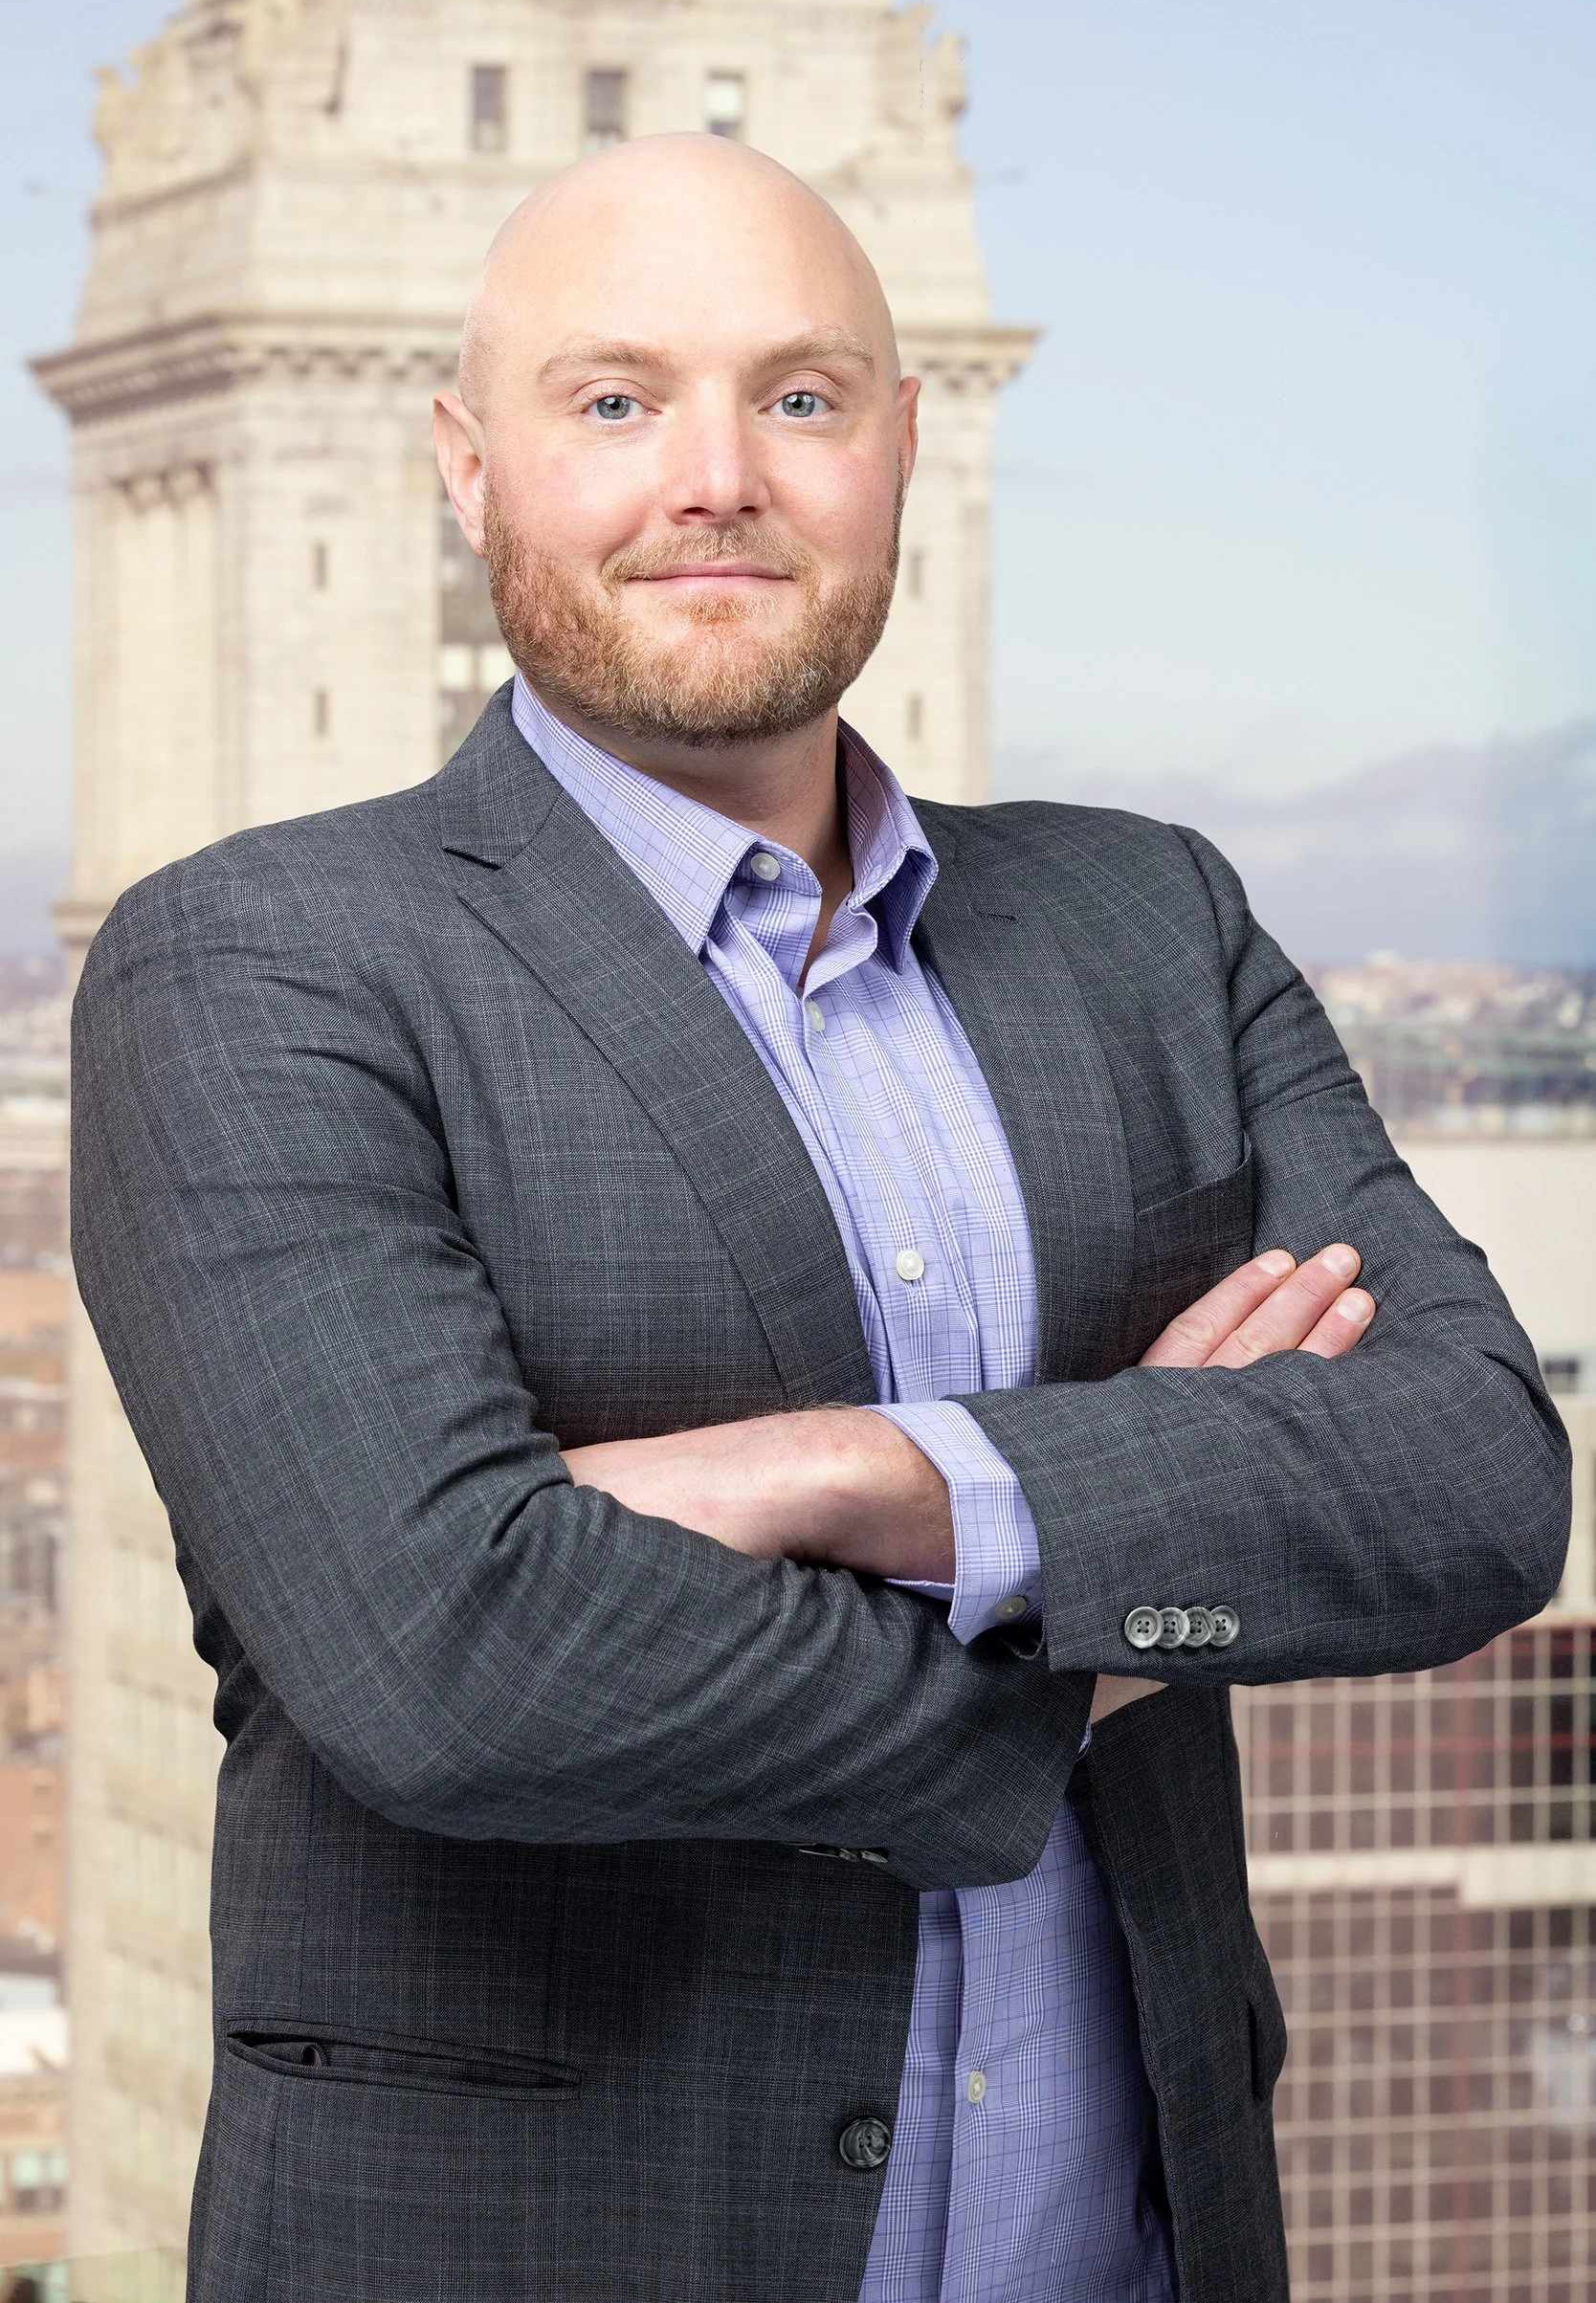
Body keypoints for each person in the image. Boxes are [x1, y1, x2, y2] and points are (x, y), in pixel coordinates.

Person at [71, 135, 1569, 2303]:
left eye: (799, 396)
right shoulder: (257, 958)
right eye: (614, 402)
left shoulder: (1149, 916)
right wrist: (1108, 1585)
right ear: (465, 466)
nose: (717, 478)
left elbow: (1473, 1473)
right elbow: (446, 1655)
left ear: (902, 443)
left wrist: (867, 1473)